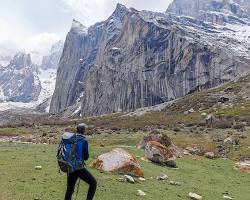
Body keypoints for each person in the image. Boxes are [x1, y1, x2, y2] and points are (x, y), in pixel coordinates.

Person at [64, 123, 97, 200]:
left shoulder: (71, 138)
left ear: (77, 130)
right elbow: (86, 157)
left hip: (70, 166)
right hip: (79, 167)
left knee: (70, 188)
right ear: (84, 131)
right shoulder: (83, 141)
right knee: (93, 183)